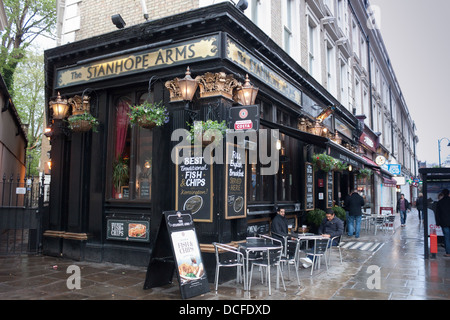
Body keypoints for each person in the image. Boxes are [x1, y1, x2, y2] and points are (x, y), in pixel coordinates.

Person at [435, 188, 450, 257]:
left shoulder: (440, 202)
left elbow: (437, 214)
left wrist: (438, 223)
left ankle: (448, 252)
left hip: (444, 222)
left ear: (443, 194)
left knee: (447, 237)